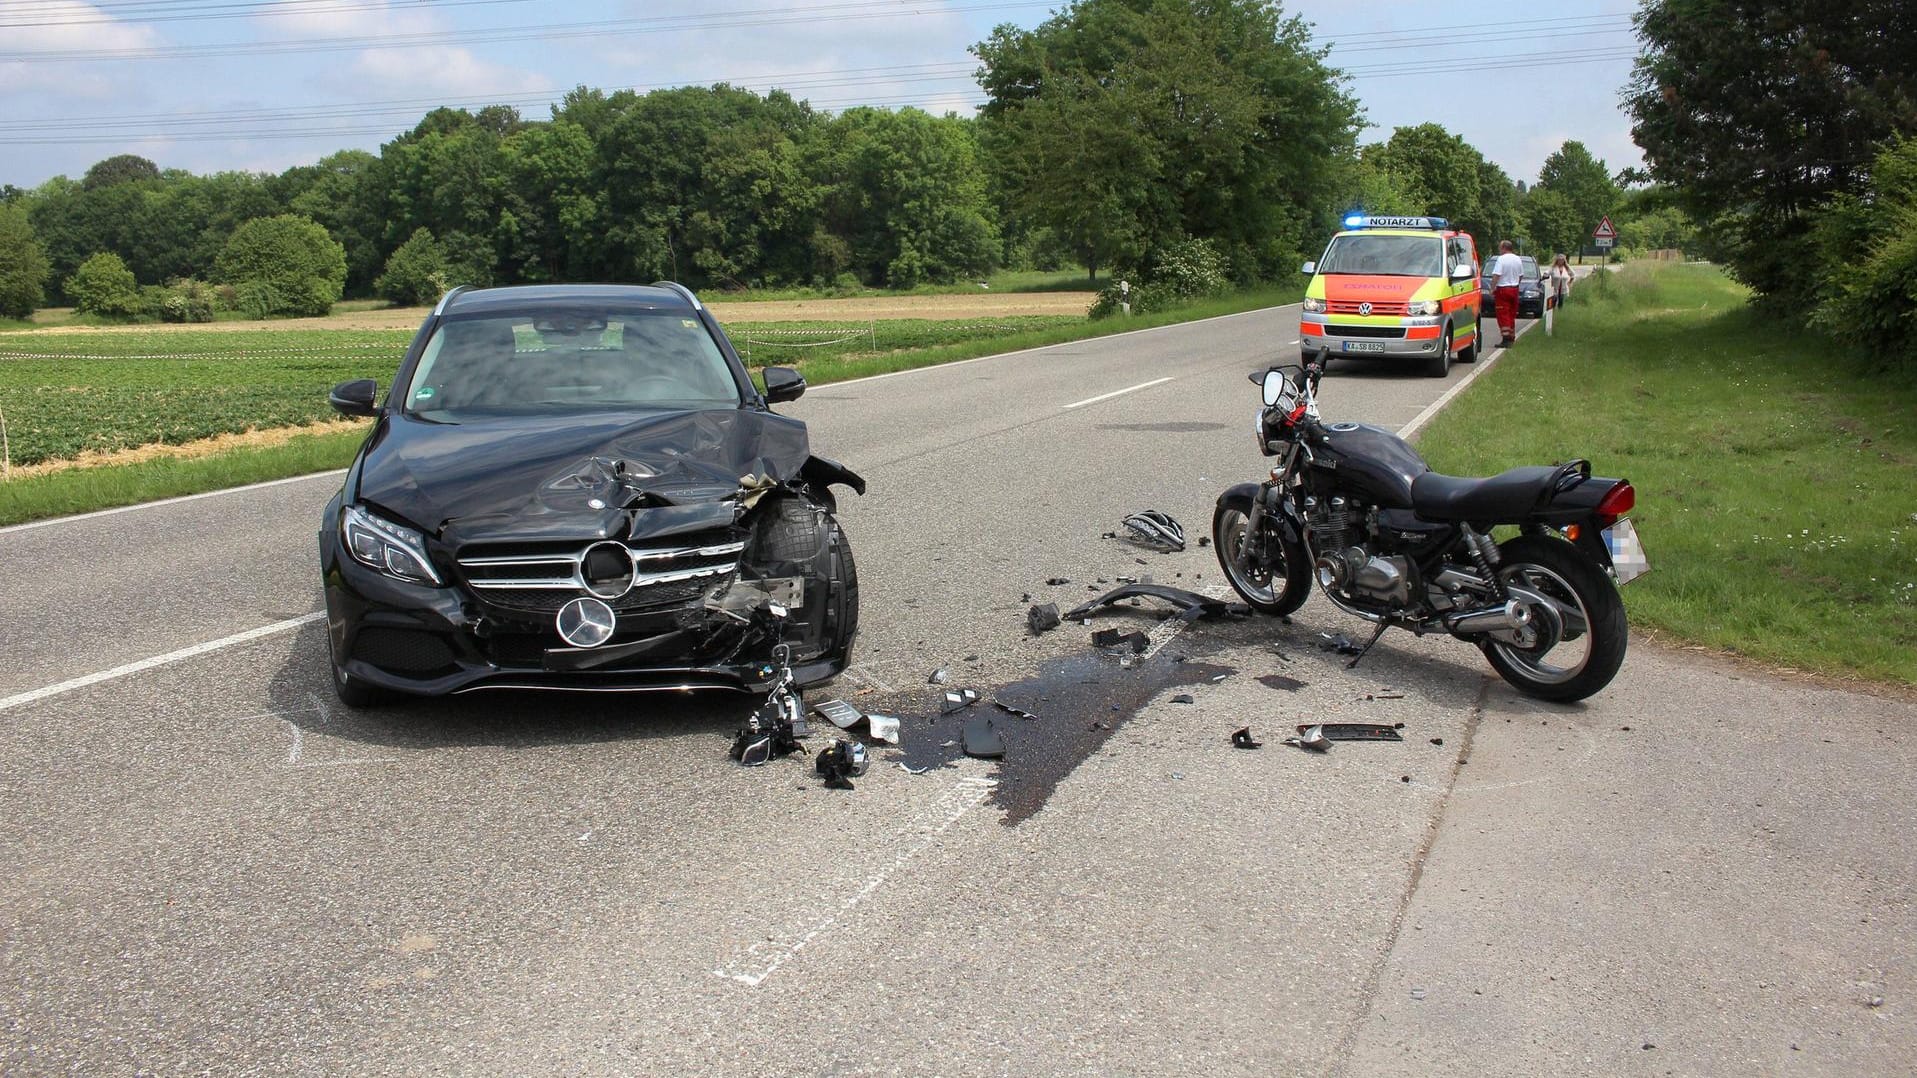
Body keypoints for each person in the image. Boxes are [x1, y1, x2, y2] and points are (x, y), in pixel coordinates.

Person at [1491, 240, 1523, 347]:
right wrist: (1516, 283)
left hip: (1503, 289)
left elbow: (1496, 275)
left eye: (1500, 248)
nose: (1499, 250)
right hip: (1514, 289)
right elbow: (1521, 275)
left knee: (1503, 314)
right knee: (1511, 314)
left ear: (1504, 248)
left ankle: (1506, 339)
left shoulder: (1501, 259)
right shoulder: (1517, 258)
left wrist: (1492, 288)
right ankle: (1511, 337)